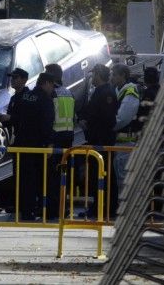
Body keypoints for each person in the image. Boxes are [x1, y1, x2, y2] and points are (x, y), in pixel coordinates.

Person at [14, 72, 55, 221]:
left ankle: (27, 211)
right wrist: (49, 142)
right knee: (42, 179)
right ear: (46, 83)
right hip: (38, 145)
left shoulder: (25, 96)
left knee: (26, 180)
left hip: (22, 143)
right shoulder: (45, 100)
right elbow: (47, 123)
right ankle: (44, 210)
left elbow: (15, 117)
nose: (52, 89)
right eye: (52, 85)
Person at [79, 63, 118, 218]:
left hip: (103, 141)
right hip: (97, 140)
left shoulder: (106, 93)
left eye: (93, 74)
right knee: (97, 175)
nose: (91, 77)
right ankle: (99, 207)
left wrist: (89, 124)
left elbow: (108, 119)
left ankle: (107, 208)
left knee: (105, 175)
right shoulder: (99, 91)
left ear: (98, 75)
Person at [44, 64, 75, 218]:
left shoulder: (52, 94)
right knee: (64, 174)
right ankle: (64, 208)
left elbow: (49, 118)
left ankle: (52, 209)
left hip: (55, 139)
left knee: (52, 176)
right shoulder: (68, 92)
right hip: (68, 138)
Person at [0, 67, 29, 210]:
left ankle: (25, 204)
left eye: (15, 78)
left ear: (23, 80)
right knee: (16, 173)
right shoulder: (14, 97)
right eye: (12, 77)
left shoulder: (28, 97)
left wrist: (11, 118)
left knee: (26, 174)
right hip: (16, 140)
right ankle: (18, 203)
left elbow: (28, 119)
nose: (12, 80)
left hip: (26, 140)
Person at [111, 63, 140, 195]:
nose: (112, 77)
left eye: (114, 75)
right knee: (120, 179)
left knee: (124, 180)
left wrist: (108, 125)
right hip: (120, 143)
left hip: (127, 143)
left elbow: (122, 119)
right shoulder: (120, 91)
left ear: (122, 75)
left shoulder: (130, 92)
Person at [132, 66, 161, 134]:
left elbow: (144, 111)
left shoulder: (148, 92)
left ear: (145, 78)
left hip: (147, 128)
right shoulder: (160, 89)